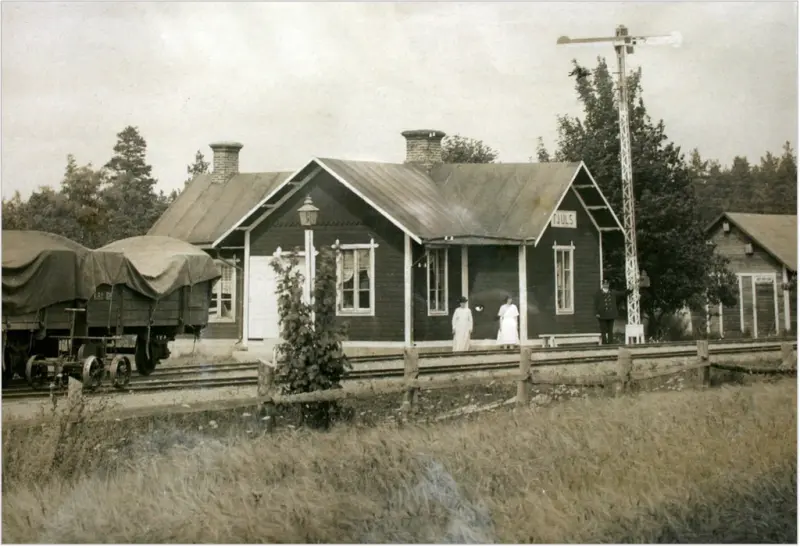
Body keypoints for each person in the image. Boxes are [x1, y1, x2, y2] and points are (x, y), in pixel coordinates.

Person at [594, 279, 626, 345]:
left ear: (608, 285)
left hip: (611, 314)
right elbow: (595, 304)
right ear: (602, 285)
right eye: (604, 284)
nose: (606, 285)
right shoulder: (598, 293)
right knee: (603, 330)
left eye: (607, 284)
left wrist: (630, 290)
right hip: (602, 314)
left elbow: (621, 293)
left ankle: (610, 342)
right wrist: (596, 313)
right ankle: (604, 342)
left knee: (610, 330)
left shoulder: (612, 292)